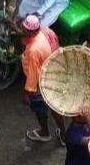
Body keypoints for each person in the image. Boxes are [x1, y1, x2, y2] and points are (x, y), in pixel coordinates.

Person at [21, 14, 65, 144]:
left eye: (24, 29)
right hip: (53, 75)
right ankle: (63, 135)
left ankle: (45, 133)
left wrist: (27, 94)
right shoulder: (46, 31)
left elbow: (32, 76)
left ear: (30, 31)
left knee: (40, 109)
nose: (22, 30)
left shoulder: (33, 51)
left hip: (41, 84)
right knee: (55, 108)